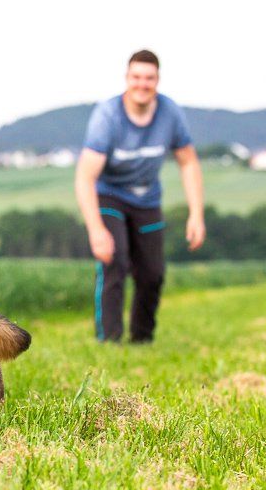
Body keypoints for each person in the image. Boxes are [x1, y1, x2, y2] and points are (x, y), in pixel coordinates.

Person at [74, 50, 205, 343]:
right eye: (136, 77)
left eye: (149, 78)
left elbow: (189, 162)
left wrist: (196, 214)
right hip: (110, 196)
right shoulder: (108, 116)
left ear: (157, 80)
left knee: (153, 273)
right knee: (115, 260)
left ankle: (142, 340)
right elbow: (85, 176)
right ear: (127, 79)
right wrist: (96, 230)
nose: (142, 84)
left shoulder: (170, 113)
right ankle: (109, 340)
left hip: (147, 199)